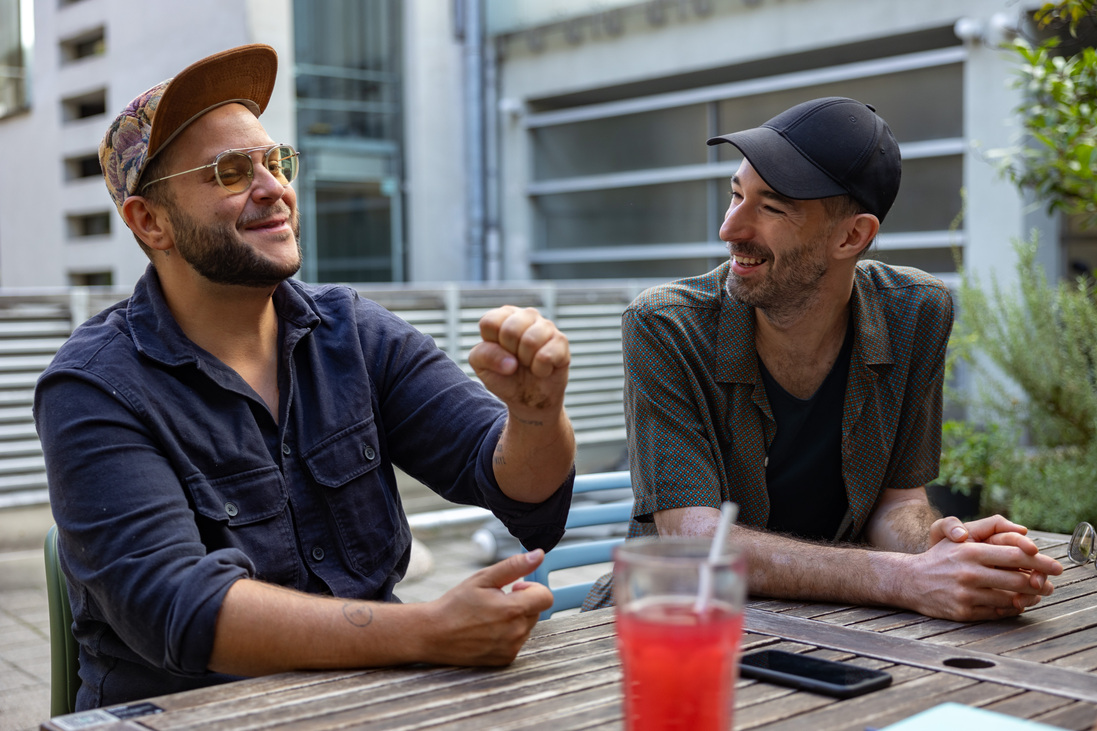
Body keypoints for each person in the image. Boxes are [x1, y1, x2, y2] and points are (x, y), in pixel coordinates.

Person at [34, 44, 576, 710]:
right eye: (230, 172)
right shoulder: (93, 385)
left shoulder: (353, 331)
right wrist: (429, 629)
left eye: (275, 161)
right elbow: (176, 605)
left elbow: (517, 488)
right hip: (194, 715)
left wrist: (535, 416)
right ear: (151, 222)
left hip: (377, 700)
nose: (274, 188)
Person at [583, 97, 1062, 620]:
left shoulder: (916, 313)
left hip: (838, 621)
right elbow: (693, 541)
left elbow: (897, 503)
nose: (730, 228)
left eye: (770, 207)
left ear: (852, 235)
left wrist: (946, 548)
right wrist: (907, 577)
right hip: (673, 621)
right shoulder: (665, 326)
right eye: (736, 194)